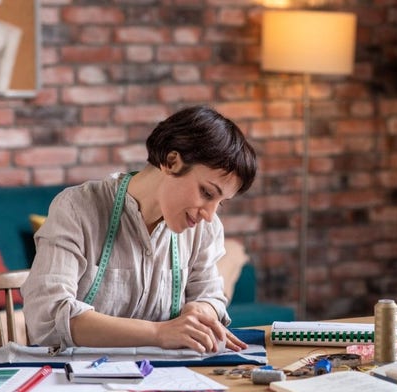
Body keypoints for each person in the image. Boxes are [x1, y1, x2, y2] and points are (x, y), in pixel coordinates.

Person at [21, 105, 257, 353]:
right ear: (171, 162)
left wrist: (200, 311)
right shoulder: (77, 209)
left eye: (220, 202)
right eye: (207, 193)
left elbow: (210, 296)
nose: (209, 215)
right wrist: (158, 333)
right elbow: (47, 317)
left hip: (164, 377)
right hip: (75, 378)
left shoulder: (203, 229)